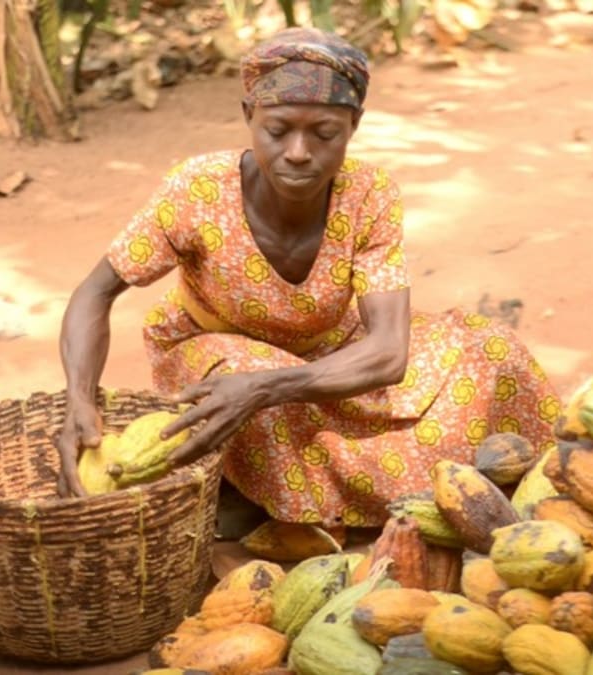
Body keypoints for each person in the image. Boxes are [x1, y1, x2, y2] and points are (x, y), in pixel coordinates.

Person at [56, 27, 561, 532]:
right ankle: (269, 498)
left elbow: (387, 352)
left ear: (354, 125)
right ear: (248, 117)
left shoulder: (369, 193)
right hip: (219, 352)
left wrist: (265, 388)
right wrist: (79, 397)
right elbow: (95, 292)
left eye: (324, 134)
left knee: (487, 346)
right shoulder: (197, 190)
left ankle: (524, 480)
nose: (299, 152)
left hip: (324, 353)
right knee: (243, 374)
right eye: (278, 131)